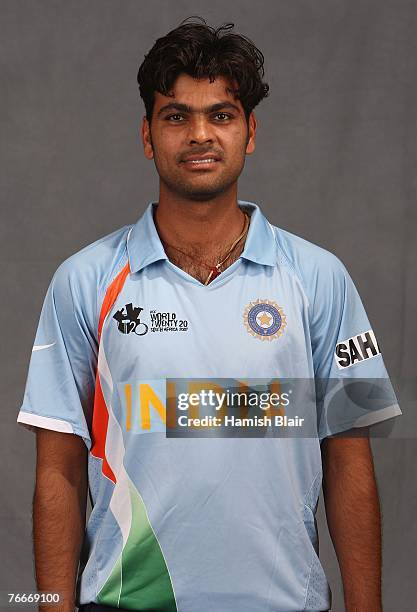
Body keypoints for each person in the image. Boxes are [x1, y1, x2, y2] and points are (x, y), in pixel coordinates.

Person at [17, 17, 402, 612]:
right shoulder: (85, 281)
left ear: (250, 132)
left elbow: (349, 460)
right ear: (147, 135)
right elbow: (58, 473)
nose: (199, 134)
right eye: (176, 116)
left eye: (220, 115)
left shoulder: (320, 279)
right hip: (126, 603)